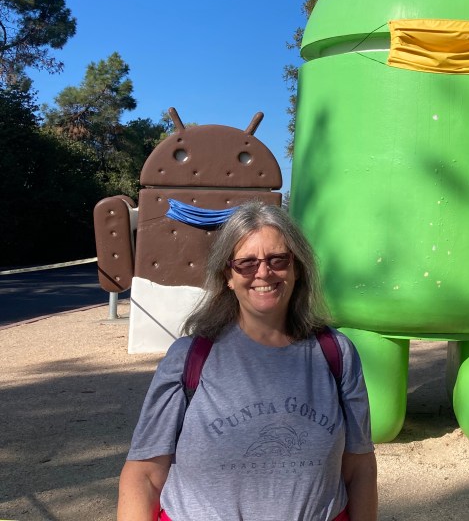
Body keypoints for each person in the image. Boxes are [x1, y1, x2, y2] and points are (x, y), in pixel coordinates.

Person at [117, 201, 378, 521]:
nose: (264, 272)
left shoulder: (337, 353)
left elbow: (359, 467)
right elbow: (144, 475)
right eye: (246, 263)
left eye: (278, 259)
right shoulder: (189, 358)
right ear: (228, 275)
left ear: (297, 268)